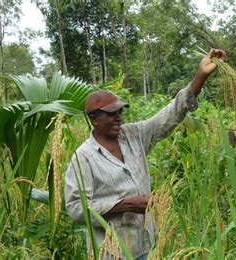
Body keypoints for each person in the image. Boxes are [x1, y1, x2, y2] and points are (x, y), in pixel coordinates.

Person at [64, 49, 226, 259]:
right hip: (113, 252)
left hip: (146, 244)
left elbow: (170, 115)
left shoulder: (134, 135)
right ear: (94, 119)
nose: (118, 118)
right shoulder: (83, 158)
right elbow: (76, 208)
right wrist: (126, 205)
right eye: (111, 114)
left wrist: (200, 76)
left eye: (120, 112)